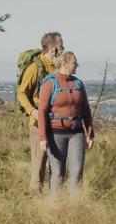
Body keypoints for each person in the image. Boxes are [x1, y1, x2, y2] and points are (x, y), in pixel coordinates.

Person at [38, 51, 94, 198]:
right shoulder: (50, 83)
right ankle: (54, 207)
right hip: (55, 134)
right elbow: (42, 111)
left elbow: (86, 109)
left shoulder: (78, 83)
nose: (77, 65)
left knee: (77, 172)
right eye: (74, 63)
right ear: (64, 63)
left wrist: (90, 134)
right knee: (58, 172)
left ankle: (74, 207)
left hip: (76, 133)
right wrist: (42, 137)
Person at [17, 31, 63, 193]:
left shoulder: (59, 66)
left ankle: (54, 199)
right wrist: (32, 111)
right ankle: (34, 201)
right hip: (38, 123)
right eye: (60, 46)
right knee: (38, 165)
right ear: (52, 48)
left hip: (58, 122)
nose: (63, 49)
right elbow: (21, 92)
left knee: (56, 164)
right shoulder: (35, 67)